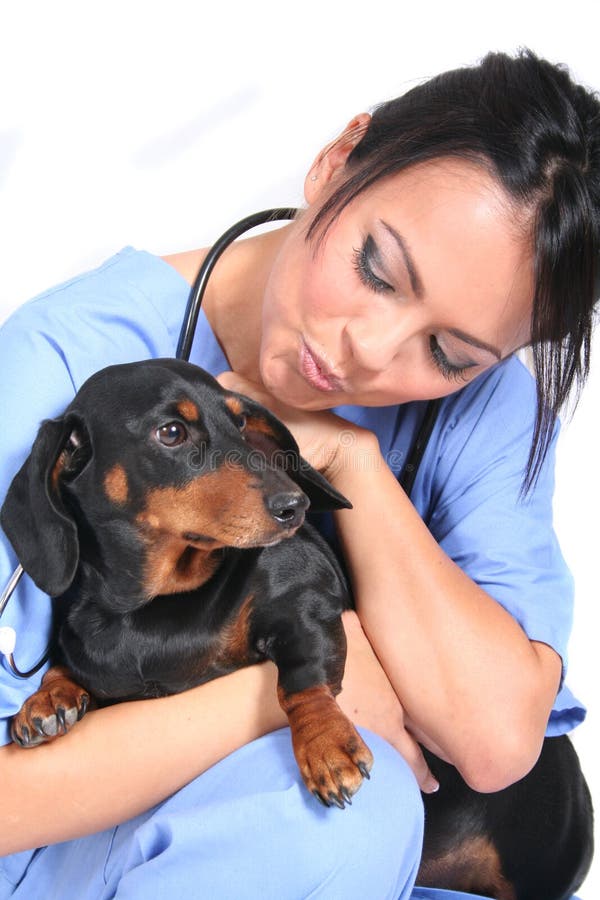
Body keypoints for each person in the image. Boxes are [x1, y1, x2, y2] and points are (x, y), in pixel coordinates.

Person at [0, 48, 598, 900]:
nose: (370, 352)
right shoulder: (55, 369)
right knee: (349, 818)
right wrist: (302, 684)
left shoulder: (482, 408)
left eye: (448, 353)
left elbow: (499, 740)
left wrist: (350, 459)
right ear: (338, 160)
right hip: (91, 856)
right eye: (376, 269)